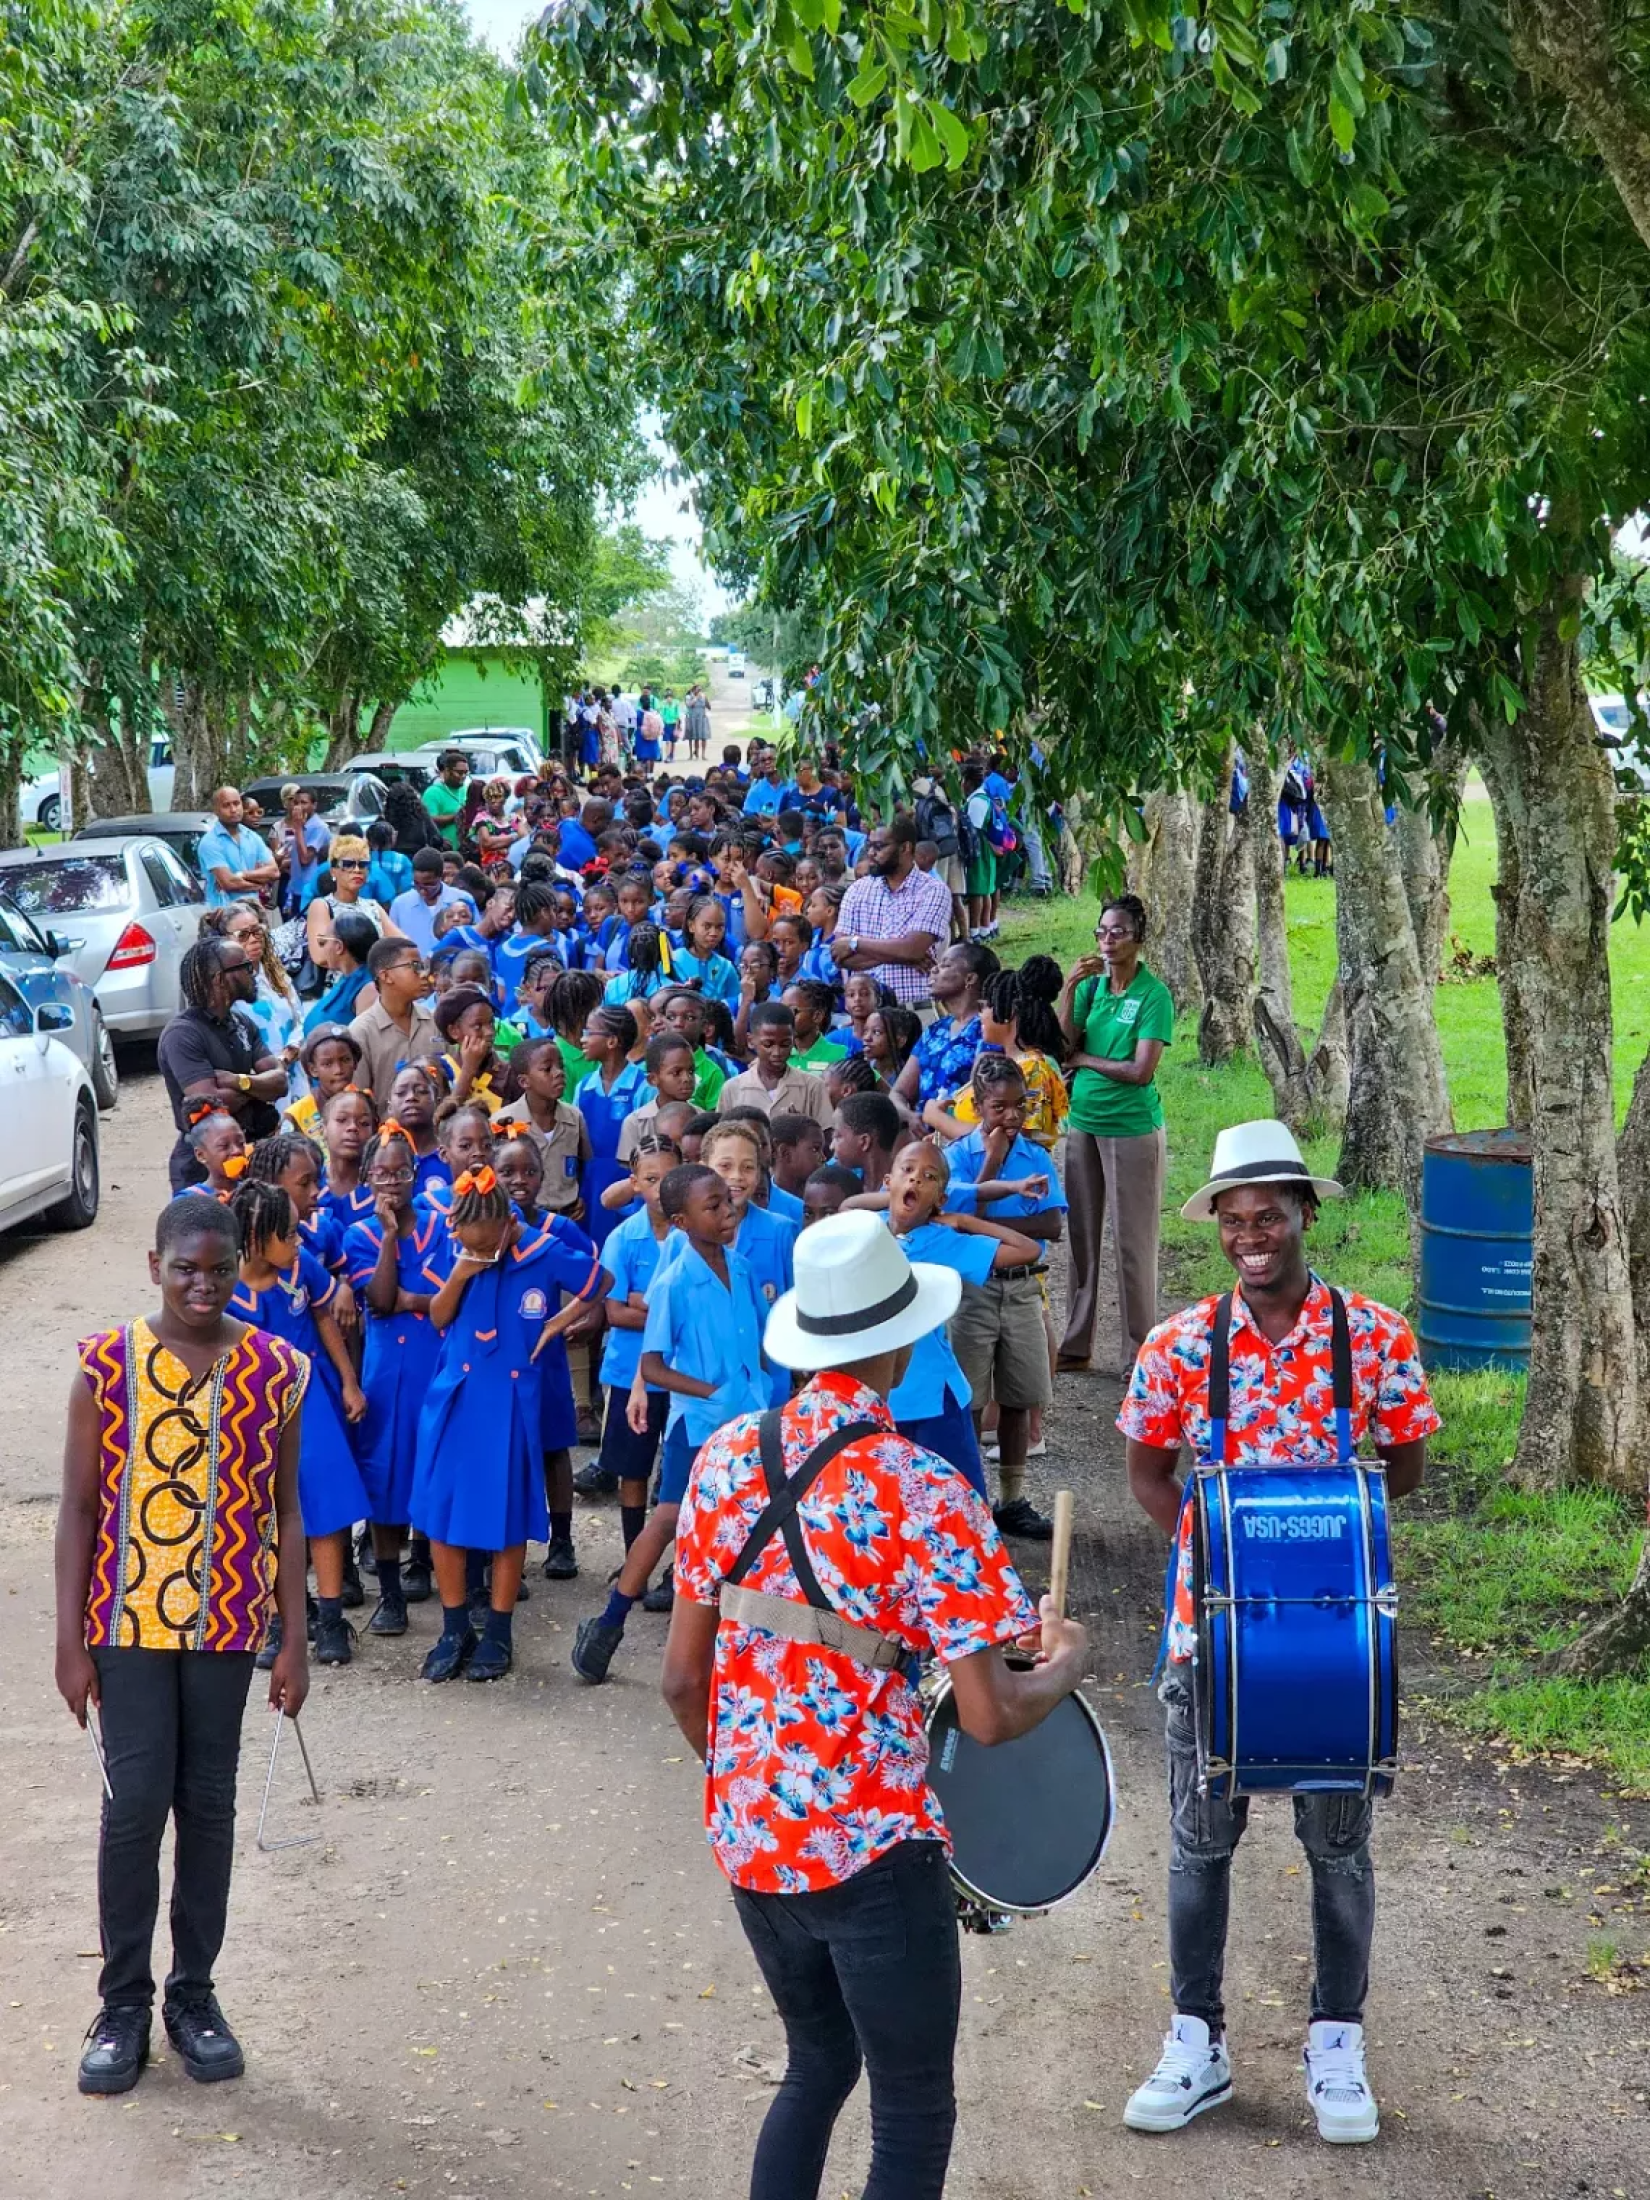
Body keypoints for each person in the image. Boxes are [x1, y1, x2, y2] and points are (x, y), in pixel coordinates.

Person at [660, 1210, 1089, 2200]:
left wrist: (758, 1791)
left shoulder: (723, 1461)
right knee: (911, 2105)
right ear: (900, 1339)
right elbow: (988, 1715)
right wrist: (1064, 1660)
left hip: (753, 1837)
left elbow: (684, 1679)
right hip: (874, 1851)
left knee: (815, 2066)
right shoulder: (928, 1492)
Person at [1118, 1120, 1438, 2145]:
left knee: (1338, 1850)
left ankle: (1337, 2043)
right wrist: (1221, 1564)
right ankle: (1194, 2039)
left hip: (1335, 1648)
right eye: (1234, 1218)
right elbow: (1145, 1472)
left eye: (1270, 1215)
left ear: (1305, 1212)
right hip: (1205, 1641)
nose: (1252, 1234)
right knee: (1197, 1844)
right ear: (1217, 1226)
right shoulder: (1177, 1345)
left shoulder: (1378, 1335)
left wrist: (1319, 1554)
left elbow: (1407, 1465)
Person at [57, 1198, 309, 2098]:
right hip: (122, 1624)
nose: (202, 1285)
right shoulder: (107, 1364)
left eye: (219, 1268)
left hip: (227, 1623)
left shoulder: (278, 1369)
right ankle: (120, 2003)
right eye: (183, 1268)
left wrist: (295, 1640)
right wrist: (68, 1645)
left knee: (207, 1806)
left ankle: (192, 1995)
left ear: (241, 1262)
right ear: (153, 1263)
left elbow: (284, 1508)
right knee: (133, 1809)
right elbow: (82, 1509)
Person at [571, 1160, 770, 1683]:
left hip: (751, 1421)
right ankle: (608, 1623)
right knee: (666, 1520)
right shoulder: (676, 1282)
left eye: (728, 1202)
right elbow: (654, 1364)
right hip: (700, 1423)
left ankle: (744, 1640)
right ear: (681, 1222)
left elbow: (762, 1342)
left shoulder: (742, 1265)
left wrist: (770, 1390)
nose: (728, 1213)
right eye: (714, 1207)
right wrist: (714, 1391)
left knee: (753, 1525)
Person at [410, 1165, 606, 1682]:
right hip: (458, 1394)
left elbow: (598, 1282)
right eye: (467, 1245)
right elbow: (436, 1318)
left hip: (511, 1401)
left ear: (505, 1224)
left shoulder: (543, 1251)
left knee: (508, 1516)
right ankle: (454, 1628)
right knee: (442, 1514)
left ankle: (498, 1629)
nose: (478, 1253)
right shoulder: (466, 1251)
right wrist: (462, 1270)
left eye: (484, 1246)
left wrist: (559, 1325)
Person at [228, 1179, 369, 1669]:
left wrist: (349, 1382)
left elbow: (326, 1318)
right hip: (253, 1414)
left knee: (325, 1511)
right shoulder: (226, 1287)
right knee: (261, 1514)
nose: (300, 1237)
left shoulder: (299, 1267)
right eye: (288, 1231)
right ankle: (279, 1621)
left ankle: (331, 1621)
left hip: (311, 1403)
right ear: (253, 1232)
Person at [943, 1055, 1067, 1539]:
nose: (1012, 1117)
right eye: (1000, 1107)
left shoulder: (1036, 1157)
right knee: (969, 1399)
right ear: (977, 1106)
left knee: (1020, 1395)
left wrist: (984, 1229)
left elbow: (1050, 1226)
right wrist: (991, 1166)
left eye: (1021, 1106)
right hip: (972, 1291)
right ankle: (969, 1498)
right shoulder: (955, 1157)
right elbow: (949, 1217)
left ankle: (1012, 1499)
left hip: (1021, 1290)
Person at [1055, 893, 1173, 1374]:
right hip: (1082, 1122)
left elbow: (1140, 1070)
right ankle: (1076, 1343)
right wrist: (1067, 991)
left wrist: (1084, 1060)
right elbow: (1063, 1047)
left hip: (1131, 1129)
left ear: (1138, 938)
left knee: (1132, 1243)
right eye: (1101, 932)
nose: (1107, 941)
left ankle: (1139, 1354)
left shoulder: (1153, 995)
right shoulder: (1090, 988)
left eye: (1118, 932)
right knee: (1081, 1236)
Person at [157, 941, 285, 1190]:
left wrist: (240, 1081)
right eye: (245, 966)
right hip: (205, 1168)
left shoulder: (242, 1023)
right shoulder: (182, 1034)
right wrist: (258, 1090)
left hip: (251, 1153)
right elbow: (210, 1103)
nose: (253, 972)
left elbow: (280, 1082)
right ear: (218, 979)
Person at [831, 811, 955, 1010]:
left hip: (914, 1008)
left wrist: (855, 942)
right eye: (869, 846)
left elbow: (913, 949)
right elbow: (840, 955)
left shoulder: (933, 890)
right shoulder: (857, 890)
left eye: (879, 847)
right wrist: (902, 953)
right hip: (867, 1014)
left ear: (905, 848)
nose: (871, 853)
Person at [894, 939, 999, 1113]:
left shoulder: (989, 1028)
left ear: (970, 978)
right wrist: (907, 1116)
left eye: (946, 965)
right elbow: (899, 1092)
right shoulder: (935, 1030)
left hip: (964, 1132)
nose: (934, 969)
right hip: (923, 1131)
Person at [347, 936, 440, 1108]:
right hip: (387, 1131)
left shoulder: (435, 1022)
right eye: (415, 966)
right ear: (386, 976)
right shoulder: (361, 1032)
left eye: (424, 967)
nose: (424, 974)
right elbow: (358, 1099)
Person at [718, 1001, 834, 1127]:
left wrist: (802, 1128)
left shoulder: (813, 1086)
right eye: (768, 1045)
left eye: (785, 1044)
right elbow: (721, 1137)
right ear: (751, 1041)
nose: (777, 1052)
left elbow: (827, 1136)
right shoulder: (732, 1089)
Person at [196, 785, 280, 909]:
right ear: (216, 810)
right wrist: (259, 884)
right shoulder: (210, 842)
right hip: (223, 916)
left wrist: (242, 875)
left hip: (253, 912)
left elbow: (274, 872)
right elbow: (229, 883)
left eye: (236, 803)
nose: (233, 809)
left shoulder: (252, 837)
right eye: (226, 805)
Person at [303, 905, 378, 1035]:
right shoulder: (347, 977)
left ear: (338, 946)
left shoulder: (369, 989)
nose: (323, 948)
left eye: (323, 942)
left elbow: (367, 1044)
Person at [389, 846, 470, 959]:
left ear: (441, 876)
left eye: (429, 884)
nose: (422, 890)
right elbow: (393, 945)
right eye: (417, 884)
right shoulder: (400, 904)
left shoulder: (463, 900)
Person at [273, 786, 331, 920]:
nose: (299, 807)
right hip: (295, 887)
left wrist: (298, 828)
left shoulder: (318, 828)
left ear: (314, 805)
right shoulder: (298, 825)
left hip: (310, 889)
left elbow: (305, 860)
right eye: (296, 802)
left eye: (304, 803)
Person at [831, 1088, 901, 1194]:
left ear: (864, 1142)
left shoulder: (902, 1187)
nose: (831, 1146)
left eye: (837, 1136)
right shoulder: (837, 1177)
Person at [422, 748, 471, 849]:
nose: (463, 776)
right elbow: (429, 820)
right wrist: (456, 816)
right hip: (443, 851)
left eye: (466, 772)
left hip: (464, 851)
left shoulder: (465, 790)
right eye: (459, 772)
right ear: (447, 771)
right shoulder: (433, 793)